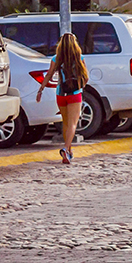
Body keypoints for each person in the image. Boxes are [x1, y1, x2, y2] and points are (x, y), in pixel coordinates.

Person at [37, 32, 88, 164]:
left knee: (65, 123)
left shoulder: (56, 58)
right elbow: (86, 77)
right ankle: (66, 148)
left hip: (61, 93)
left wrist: (41, 89)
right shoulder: (79, 58)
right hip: (75, 93)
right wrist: (81, 86)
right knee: (73, 124)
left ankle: (69, 152)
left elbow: (49, 74)